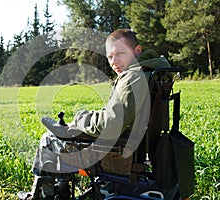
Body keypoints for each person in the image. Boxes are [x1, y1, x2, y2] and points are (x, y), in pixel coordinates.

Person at [18, 28, 171, 200]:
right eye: (110, 56)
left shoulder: (133, 77)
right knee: (66, 134)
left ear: (137, 50)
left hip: (119, 149)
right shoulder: (150, 71)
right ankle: (60, 190)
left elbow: (112, 124)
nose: (114, 61)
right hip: (134, 143)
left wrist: (80, 118)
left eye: (120, 53)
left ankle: (41, 196)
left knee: (49, 139)